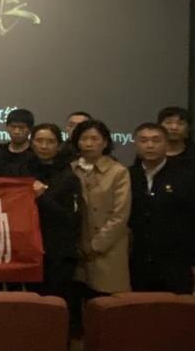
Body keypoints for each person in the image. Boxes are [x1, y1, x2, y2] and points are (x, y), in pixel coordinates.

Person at [128, 122, 195, 294]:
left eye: (156, 140)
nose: (150, 145)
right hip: (137, 260)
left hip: (176, 260)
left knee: (175, 307)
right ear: (135, 144)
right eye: (143, 140)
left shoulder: (186, 177)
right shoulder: (128, 176)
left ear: (166, 144)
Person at [71, 119, 131, 297]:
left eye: (95, 139)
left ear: (105, 143)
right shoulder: (71, 169)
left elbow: (120, 215)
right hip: (78, 248)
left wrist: (96, 245)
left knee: (106, 302)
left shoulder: (118, 171)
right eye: (84, 139)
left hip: (108, 248)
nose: (89, 143)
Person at [23, 124, 80, 303]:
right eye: (39, 141)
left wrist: (42, 197)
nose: (44, 146)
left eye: (50, 142)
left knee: (57, 301)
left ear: (59, 145)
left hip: (59, 251)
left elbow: (70, 217)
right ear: (31, 143)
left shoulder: (69, 175)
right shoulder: (23, 170)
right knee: (33, 302)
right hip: (30, 248)